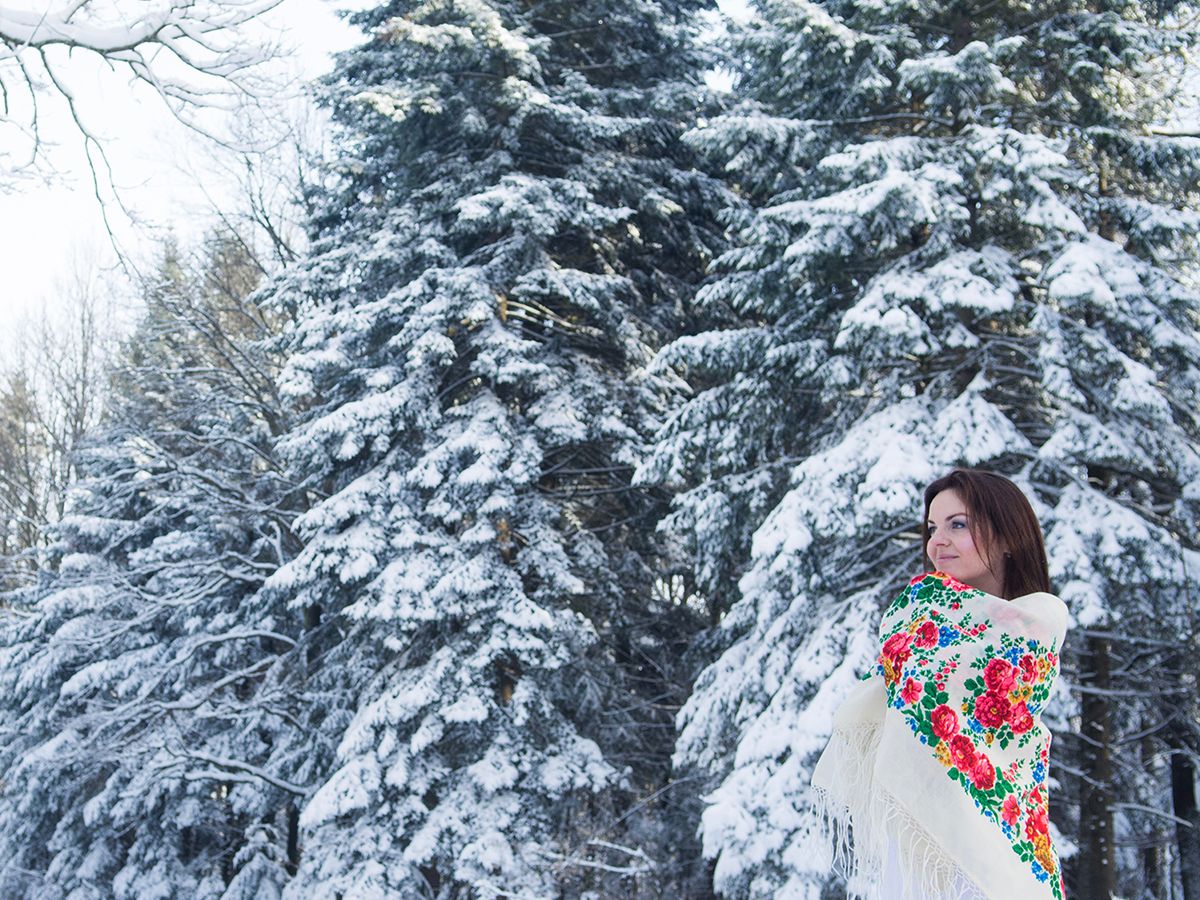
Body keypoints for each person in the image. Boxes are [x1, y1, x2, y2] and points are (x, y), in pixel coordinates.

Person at [811, 469, 1069, 900]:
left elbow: (983, 716)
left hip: (995, 843)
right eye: (932, 527)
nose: (938, 541)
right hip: (916, 841)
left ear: (1008, 536)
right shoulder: (913, 619)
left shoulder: (1035, 623)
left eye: (959, 524)